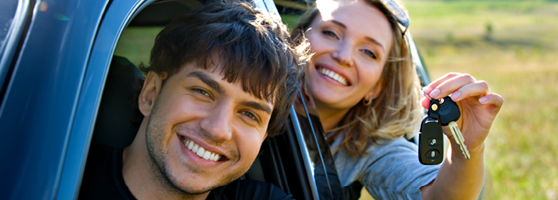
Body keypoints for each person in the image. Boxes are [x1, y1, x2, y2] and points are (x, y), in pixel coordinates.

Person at [79, 2, 307, 200]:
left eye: (249, 114)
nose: (218, 130)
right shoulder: (61, 171)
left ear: (261, 140)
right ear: (151, 93)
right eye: (203, 92)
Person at [291, 0, 504, 199]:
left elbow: (437, 196)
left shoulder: (368, 148)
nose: (344, 56)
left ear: (377, 87)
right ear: (297, 37)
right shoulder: (257, 89)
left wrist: (467, 150)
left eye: (368, 52)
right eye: (331, 33)